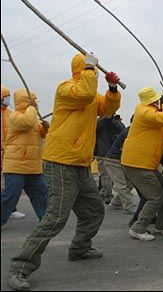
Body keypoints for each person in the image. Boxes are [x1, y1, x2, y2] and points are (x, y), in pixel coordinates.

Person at [8, 52, 121, 291]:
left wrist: (112, 89)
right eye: (91, 68)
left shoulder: (90, 93)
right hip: (60, 162)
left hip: (80, 164)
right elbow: (86, 93)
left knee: (93, 211)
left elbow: (106, 107)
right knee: (56, 218)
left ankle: (80, 248)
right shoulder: (66, 89)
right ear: (84, 68)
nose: (95, 72)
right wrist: (91, 70)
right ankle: (20, 267)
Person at [121, 86, 163, 241]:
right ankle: (137, 228)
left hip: (146, 164)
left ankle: (162, 226)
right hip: (138, 164)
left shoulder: (147, 113)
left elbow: (161, 130)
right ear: (155, 101)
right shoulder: (145, 112)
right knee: (155, 197)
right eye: (159, 100)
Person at [1, 89, 49, 226]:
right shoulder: (15, 117)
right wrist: (32, 108)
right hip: (16, 166)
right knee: (10, 196)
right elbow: (27, 122)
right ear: (25, 103)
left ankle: (46, 220)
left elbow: (44, 134)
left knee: (41, 195)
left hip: (33, 168)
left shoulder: (32, 119)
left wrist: (46, 128)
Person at [103, 115, 137, 215]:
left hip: (122, 161)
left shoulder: (134, 131)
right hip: (113, 160)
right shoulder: (130, 132)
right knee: (121, 185)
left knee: (130, 183)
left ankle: (116, 203)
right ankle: (129, 206)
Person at [1, 85, 26, 219]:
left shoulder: (10, 113)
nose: (7, 98)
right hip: (5, 150)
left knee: (10, 186)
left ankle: (11, 209)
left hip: (8, 154)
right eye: (5, 96)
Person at [94, 113, 125, 204]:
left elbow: (122, 130)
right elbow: (96, 126)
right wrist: (106, 119)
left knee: (108, 176)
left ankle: (103, 192)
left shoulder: (114, 123)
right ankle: (106, 194)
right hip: (103, 153)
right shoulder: (100, 122)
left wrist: (116, 122)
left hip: (112, 154)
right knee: (105, 175)